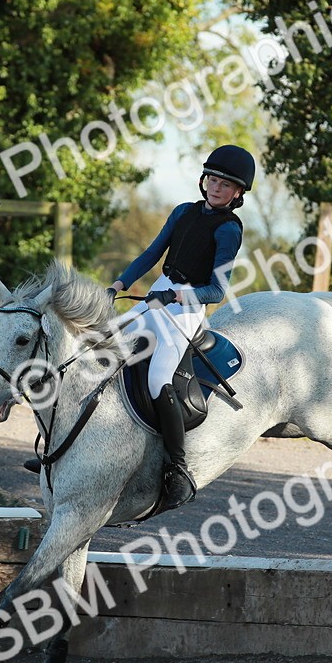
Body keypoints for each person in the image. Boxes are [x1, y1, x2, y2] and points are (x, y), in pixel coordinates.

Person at [109, 144, 255, 512]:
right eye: (213, 180)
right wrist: (118, 285)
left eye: (226, 184)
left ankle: (177, 468)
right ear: (204, 179)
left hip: (186, 308)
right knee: (106, 344)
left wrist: (176, 296)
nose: (216, 188)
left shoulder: (229, 230)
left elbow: (217, 291)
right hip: (160, 292)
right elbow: (151, 254)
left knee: (159, 377)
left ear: (238, 193)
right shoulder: (183, 212)